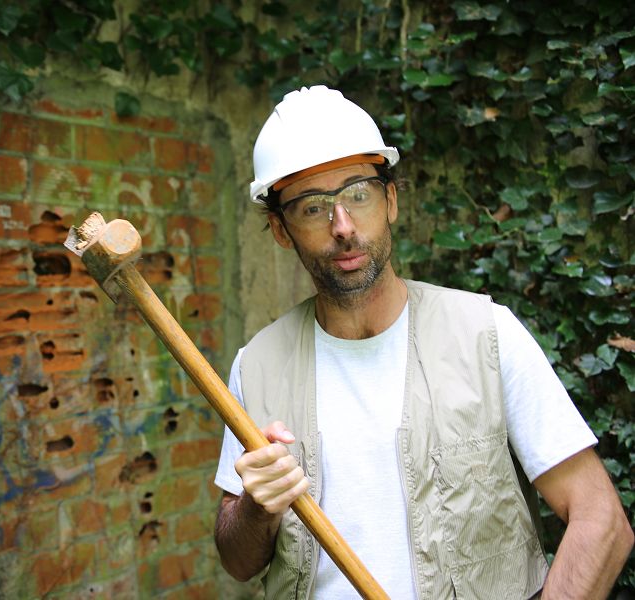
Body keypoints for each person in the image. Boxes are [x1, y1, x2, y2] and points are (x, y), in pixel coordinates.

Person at [213, 85, 633, 599]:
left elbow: (601, 519)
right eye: (311, 207)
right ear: (281, 230)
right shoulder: (256, 367)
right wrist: (258, 507)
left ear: (390, 200)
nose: (342, 226)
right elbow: (237, 561)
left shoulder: (486, 335)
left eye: (358, 194)